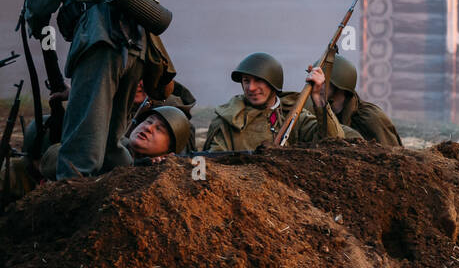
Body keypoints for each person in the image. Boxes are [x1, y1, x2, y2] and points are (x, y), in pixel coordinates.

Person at [22, 0, 151, 179]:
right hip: (136, 51)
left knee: (81, 144)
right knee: (112, 141)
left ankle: (70, 197)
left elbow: (40, 4)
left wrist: (32, 16)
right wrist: (76, 91)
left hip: (101, 40)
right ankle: (123, 189)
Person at [204, 52, 344, 150]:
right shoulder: (228, 121)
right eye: (246, 81)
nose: (251, 88)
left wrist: (319, 98)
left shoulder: (295, 118)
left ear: (273, 83)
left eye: (259, 80)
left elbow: (334, 142)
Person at [39, 104, 191, 179]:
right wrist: (124, 164)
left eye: (160, 129)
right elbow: (49, 162)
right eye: (148, 121)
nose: (149, 127)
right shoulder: (106, 141)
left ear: (169, 151)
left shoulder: (166, 176)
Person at [310, 55, 401, 147]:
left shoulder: (370, 118)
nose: (317, 84)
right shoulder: (319, 112)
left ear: (339, 84)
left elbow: (393, 154)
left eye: (323, 81)